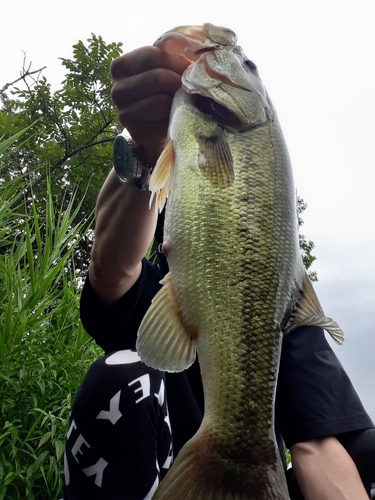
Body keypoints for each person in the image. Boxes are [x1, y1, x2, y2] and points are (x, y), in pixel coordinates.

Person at [64, 45, 375, 500]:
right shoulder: (160, 289)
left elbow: (318, 443)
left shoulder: (283, 317)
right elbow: (111, 274)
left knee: (366, 452)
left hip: (249, 462)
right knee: (120, 378)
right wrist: (146, 151)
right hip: (153, 464)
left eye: (247, 66)